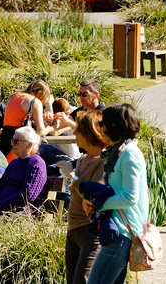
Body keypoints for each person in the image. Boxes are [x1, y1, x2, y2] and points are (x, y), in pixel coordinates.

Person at [83, 104, 149, 284]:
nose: (101, 127)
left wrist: (98, 203)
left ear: (115, 126)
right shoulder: (120, 152)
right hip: (116, 231)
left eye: (104, 123)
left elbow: (130, 197)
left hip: (122, 234)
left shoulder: (129, 155)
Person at [56, 111, 107, 284]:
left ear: (89, 134)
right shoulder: (82, 158)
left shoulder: (102, 163)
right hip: (73, 229)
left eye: (79, 131)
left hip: (91, 232)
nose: (74, 134)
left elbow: (93, 196)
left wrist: (72, 177)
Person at [0, 126, 47, 216]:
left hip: (20, 213)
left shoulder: (37, 164)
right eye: (12, 140)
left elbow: (27, 196)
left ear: (30, 144)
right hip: (0, 210)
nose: (12, 144)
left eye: (16, 141)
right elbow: (0, 186)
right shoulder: (14, 162)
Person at [0, 80, 51, 160]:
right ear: (40, 94)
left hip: (5, 142)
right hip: (21, 144)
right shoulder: (35, 101)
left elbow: (17, 116)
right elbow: (41, 131)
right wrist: (50, 129)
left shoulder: (13, 96)